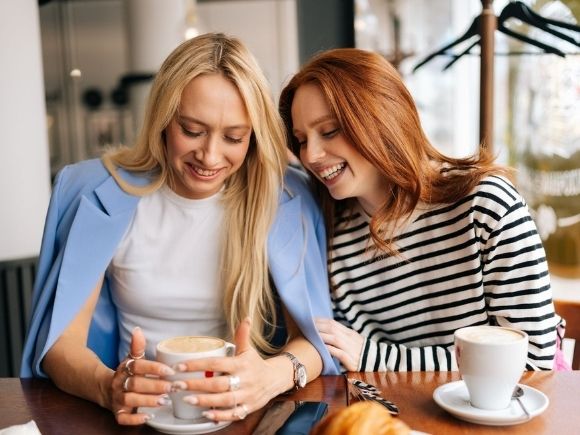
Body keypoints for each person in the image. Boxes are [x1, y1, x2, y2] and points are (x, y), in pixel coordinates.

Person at [20, 33, 339, 425]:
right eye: (191, 129)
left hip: (242, 417)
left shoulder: (286, 198)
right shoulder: (92, 192)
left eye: (234, 138)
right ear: (163, 118)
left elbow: (317, 337)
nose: (209, 156)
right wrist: (108, 386)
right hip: (132, 419)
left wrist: (270, 378)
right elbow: (59, 346)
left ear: (253, 137)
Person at [279, 48, 562, 372]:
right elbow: (343, 362)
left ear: (383, 119)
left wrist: (378, 357)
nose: (312, 155)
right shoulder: (329, 232)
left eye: (329, 131)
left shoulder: (487, 206)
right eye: (301, 140)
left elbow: (534, 361)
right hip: (395, 414)